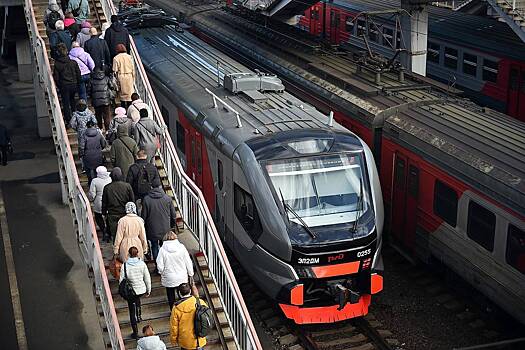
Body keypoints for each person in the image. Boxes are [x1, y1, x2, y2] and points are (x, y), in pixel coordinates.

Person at [156, 230, 193, 311]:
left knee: (170, 295)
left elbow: (160, 265)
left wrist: (161, 272)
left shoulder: (162, 250)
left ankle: (173, 311)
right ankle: (183, 310)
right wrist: (190, 273)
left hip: (169, 277)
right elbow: (188, 261)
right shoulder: (181, 247)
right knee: (182, 294)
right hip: (181, 276)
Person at [119, 246, 151, 339]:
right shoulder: (142, 264)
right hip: (141, 290)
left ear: (128, 254)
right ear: (137, 254)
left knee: (131, 310)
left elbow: (121, 280)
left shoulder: (125, 265)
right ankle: (139, 315)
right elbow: (147, 278)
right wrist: (148, 290)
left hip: (130, 292)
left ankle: (135, 331)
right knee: (137, 298)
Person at [142, 179, 177, 261]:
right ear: (160, 186)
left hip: (152, 229)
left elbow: (144, 217)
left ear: (151, 187)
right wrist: (172, 225)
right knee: (165, 246)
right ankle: (165, 264)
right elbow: (173, 215)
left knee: (154, 246)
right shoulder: (167, 198)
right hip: (165, 228)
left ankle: (158, 266)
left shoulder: (146, 199)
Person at [170, 283, 207, 350]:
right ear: (190, 291)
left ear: (179, 293)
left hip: (186, 340)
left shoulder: (176, 308)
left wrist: (173, 340)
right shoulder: (200, 302)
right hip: (199, 338)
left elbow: (174, 327)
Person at [102, 167, 134, 242]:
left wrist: (103, 213)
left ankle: (116, 249)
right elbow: (132, 200)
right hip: (125, 213)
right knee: (126, 232)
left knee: (115, 234)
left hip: (112, 214)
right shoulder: (127, 186)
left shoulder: (107, 188)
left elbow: (104, 202)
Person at [52, 44, 80, 125]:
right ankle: (76, 118)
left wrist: (59, 85)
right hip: (73, 84)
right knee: (73, 101)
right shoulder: (73, 62)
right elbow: (78, 74)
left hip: (64, 85)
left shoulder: (57, 64)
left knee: (66, 103)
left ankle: (68, 120)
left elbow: (56, 78)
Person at [88, 165, 112, 236]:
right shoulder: (110, 179)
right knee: (108, 216)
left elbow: (92, 194)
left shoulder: (95, 181)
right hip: (109, 201)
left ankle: (103, 229)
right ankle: (108, 230)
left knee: (98, 216)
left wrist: (91, 200)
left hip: (98, 201)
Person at [81, 120, 107, 185]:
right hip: (98, 155)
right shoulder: (98, 134)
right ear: (94, 126)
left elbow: (81, 147)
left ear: (86, 126)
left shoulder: (84, 135)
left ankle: (91, 183)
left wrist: (81, 154)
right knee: (97, 171)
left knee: (89, 171)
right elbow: (103, 144)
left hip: (87, 156)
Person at [112, 44, 135, 108]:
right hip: (129, 76)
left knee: (122, 96)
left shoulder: (116, 58)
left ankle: (123, 109)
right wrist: (133, 78)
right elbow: (133, 68)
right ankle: (129, 108)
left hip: (121, 76)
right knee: (129, 95)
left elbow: (115, 70)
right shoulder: (129, 57)